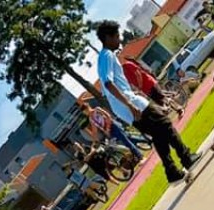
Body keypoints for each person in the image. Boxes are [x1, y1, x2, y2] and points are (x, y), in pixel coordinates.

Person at [96, 20, 200, 184]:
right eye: (116, 36)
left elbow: (108, 87)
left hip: (127, 106)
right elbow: (108, 84)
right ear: (108, 38)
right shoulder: (107, 56)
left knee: (160, 135)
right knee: (165, 124)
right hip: (131, 105)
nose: (119, 39)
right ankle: (186, 159)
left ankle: (173, 172)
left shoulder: (104, 59)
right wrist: (130, 105)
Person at [78, 98, 142, 160]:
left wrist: (107, 129)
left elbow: (108, 116)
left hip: (113, 126)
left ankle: (139, 156)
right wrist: (94, 140)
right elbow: (95, 130)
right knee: (129, 138)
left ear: (87, 108)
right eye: (84, 112)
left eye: (85, 111)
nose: (85, 113)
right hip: (109, 131)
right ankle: (147, 141)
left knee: (126, 141)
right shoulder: (91, 119)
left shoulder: (97, 110)